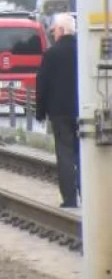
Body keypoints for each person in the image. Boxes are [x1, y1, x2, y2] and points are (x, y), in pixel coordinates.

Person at [36, 13, 80, 208]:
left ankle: (69, 198)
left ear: (61, 31)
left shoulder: (52, 54)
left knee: (65, 153)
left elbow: (42, 83)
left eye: (54, 30)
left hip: (60, 111)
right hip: (84, 109)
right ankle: (87, 193)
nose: (53, 33)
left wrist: (40, 111)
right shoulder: (83, 50)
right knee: (84, 153)